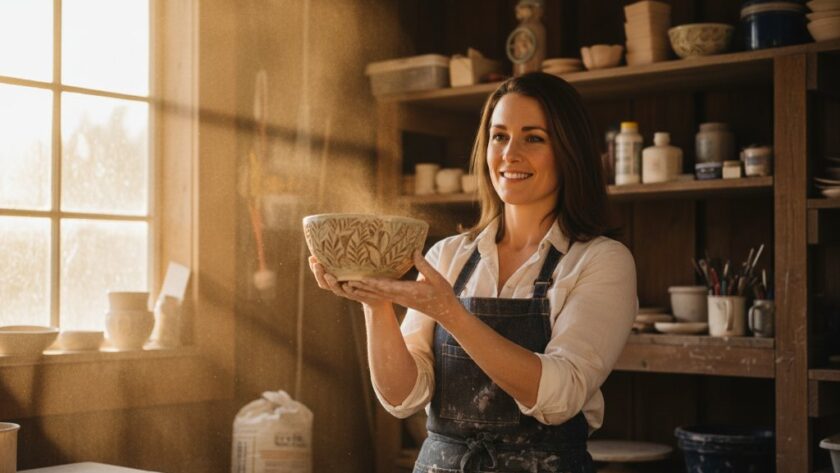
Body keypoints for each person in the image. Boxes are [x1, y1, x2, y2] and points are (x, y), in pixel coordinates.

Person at [308, 72, 637, 473]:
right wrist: (376, 307)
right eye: (499, 136)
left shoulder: (600, 260)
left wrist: (452, 315)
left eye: (533, 137)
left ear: (569, 150)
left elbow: (560, 395)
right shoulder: (449, 255)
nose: (509, 154)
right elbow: (404, 397)